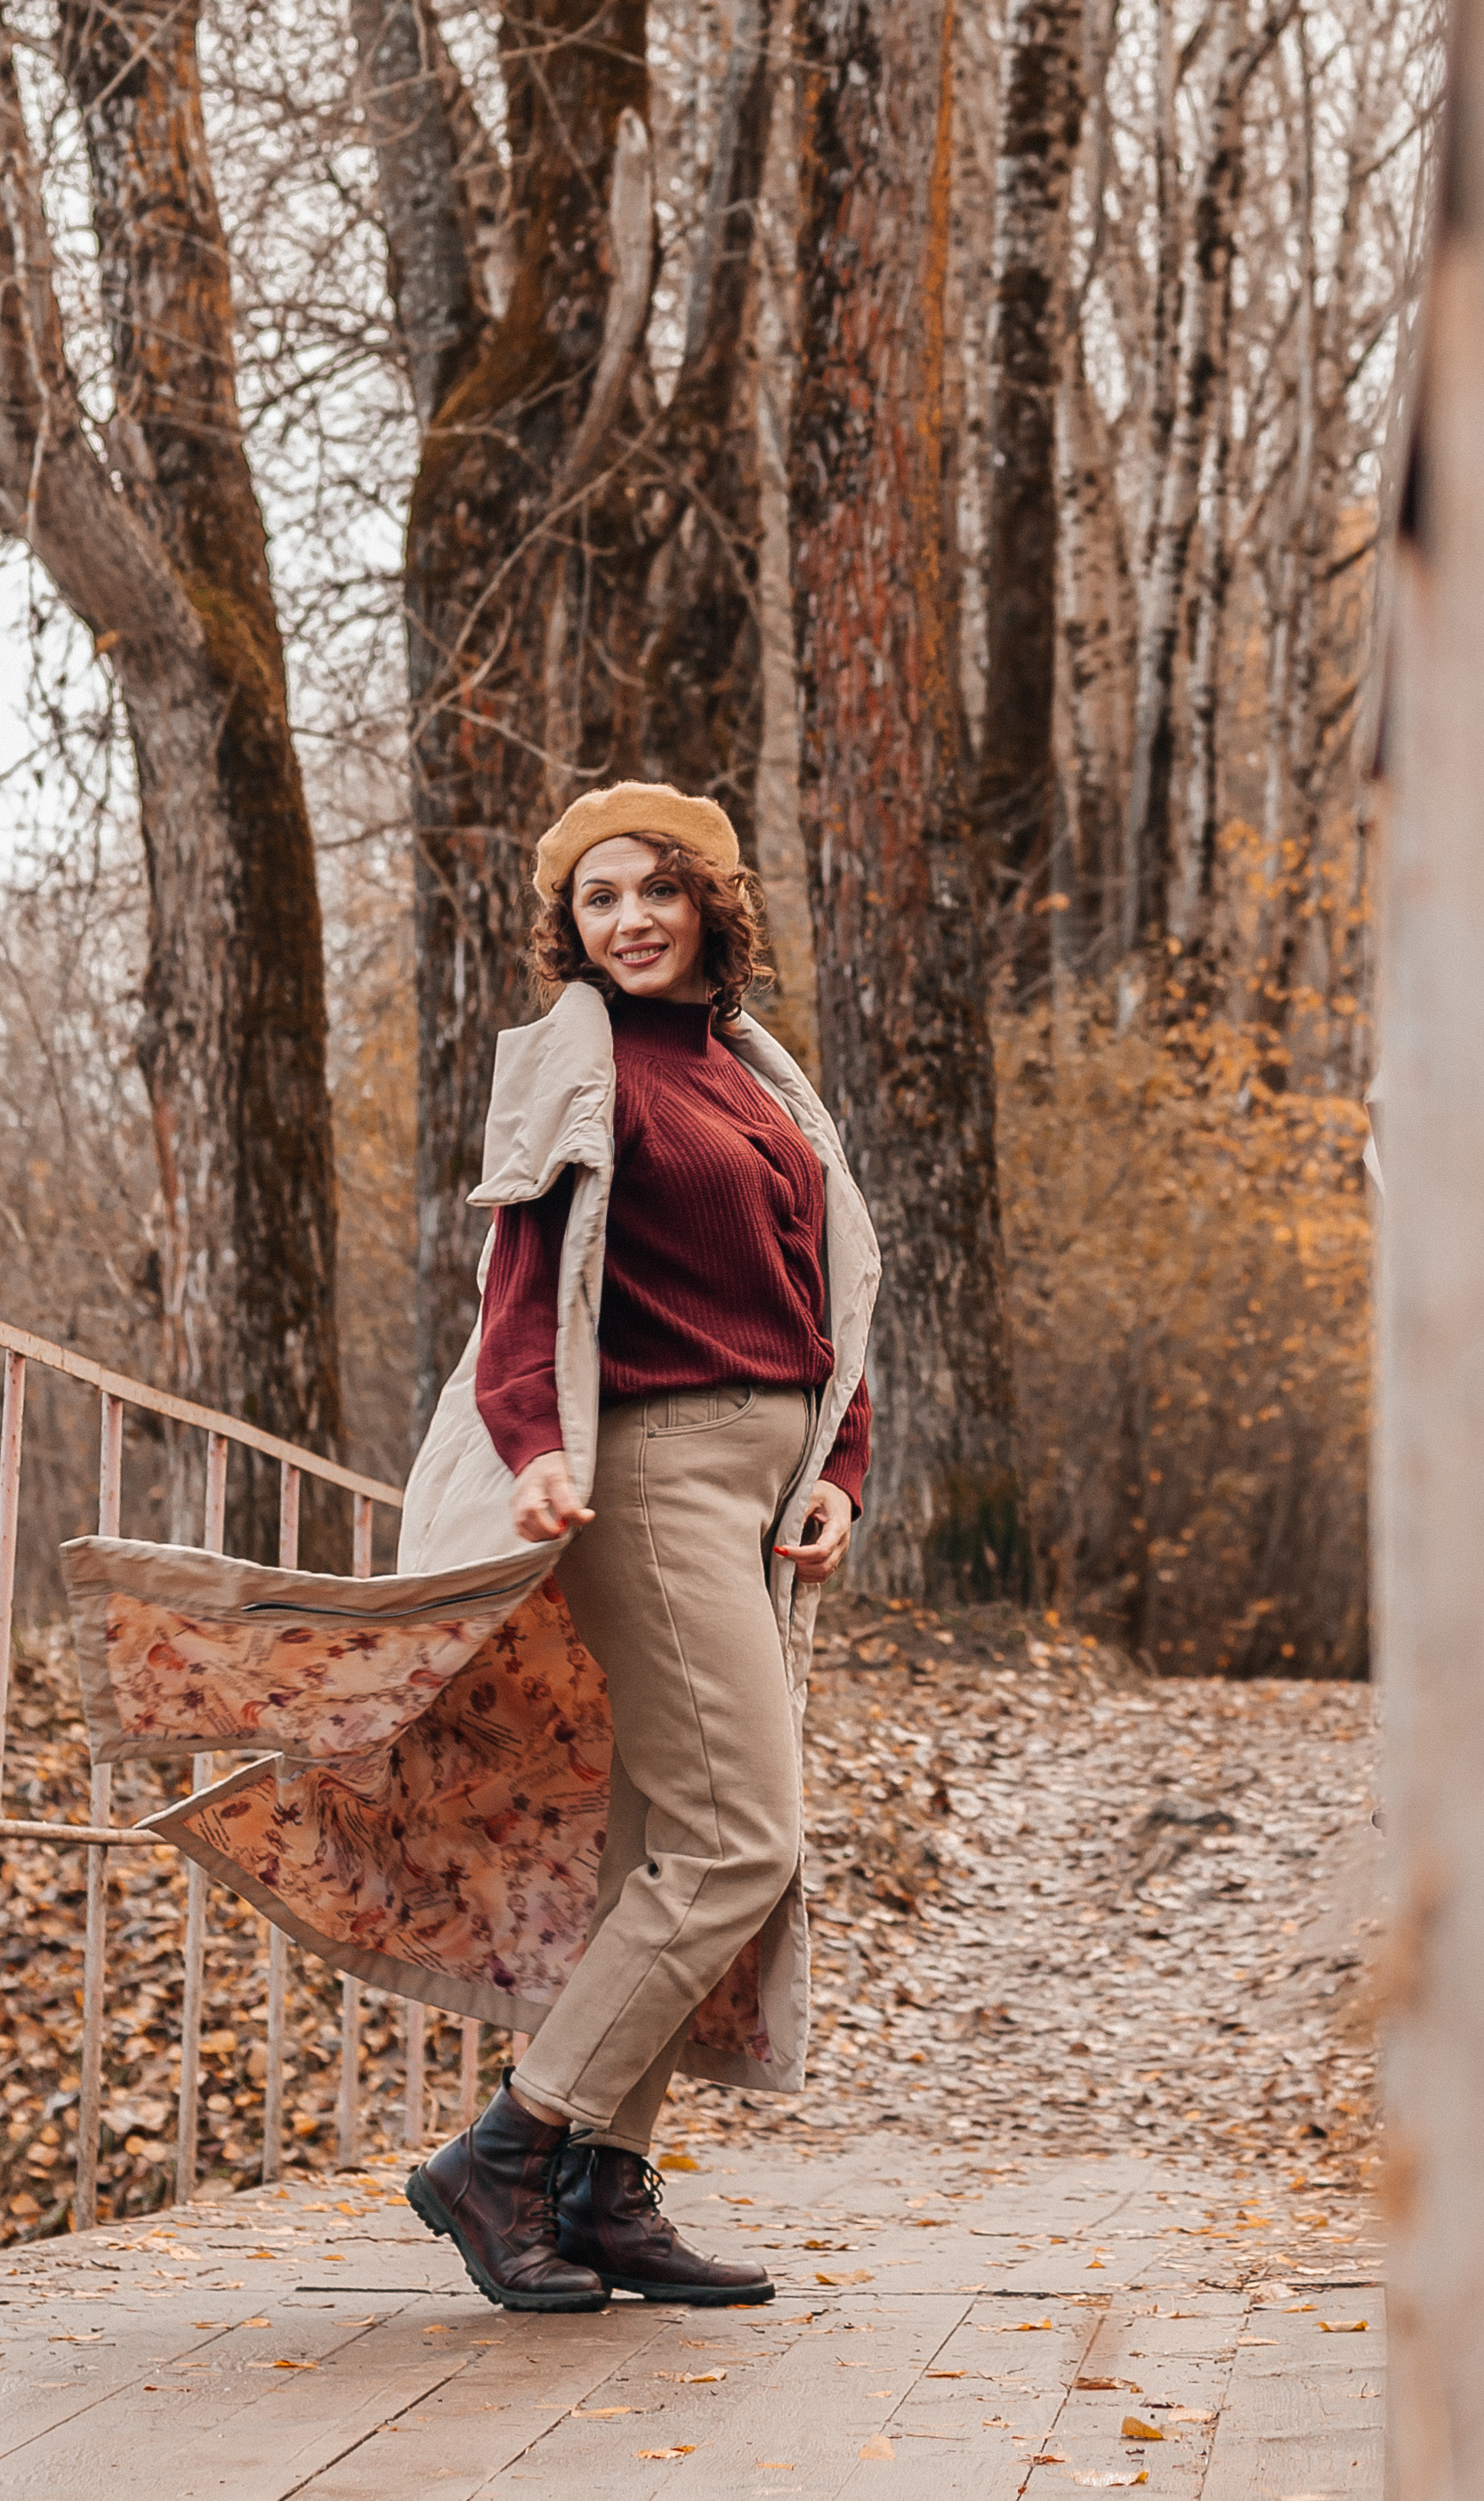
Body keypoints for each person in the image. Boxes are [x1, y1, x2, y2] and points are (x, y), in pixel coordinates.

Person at [404, 781, 876, 2311]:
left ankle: (606, 2186)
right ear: (575, 931)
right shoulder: (578, 1064)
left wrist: (841, 1469)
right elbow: (522, 1282)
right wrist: (537, 1445)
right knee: (745, 1837)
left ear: (709, 909)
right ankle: (510, 2149)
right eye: (599, 901)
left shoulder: (755, 1074)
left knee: (662, 1850)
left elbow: (831, 1293)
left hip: (761, 1476)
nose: (629, 921)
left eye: (655, 893)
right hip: (653, 1467)